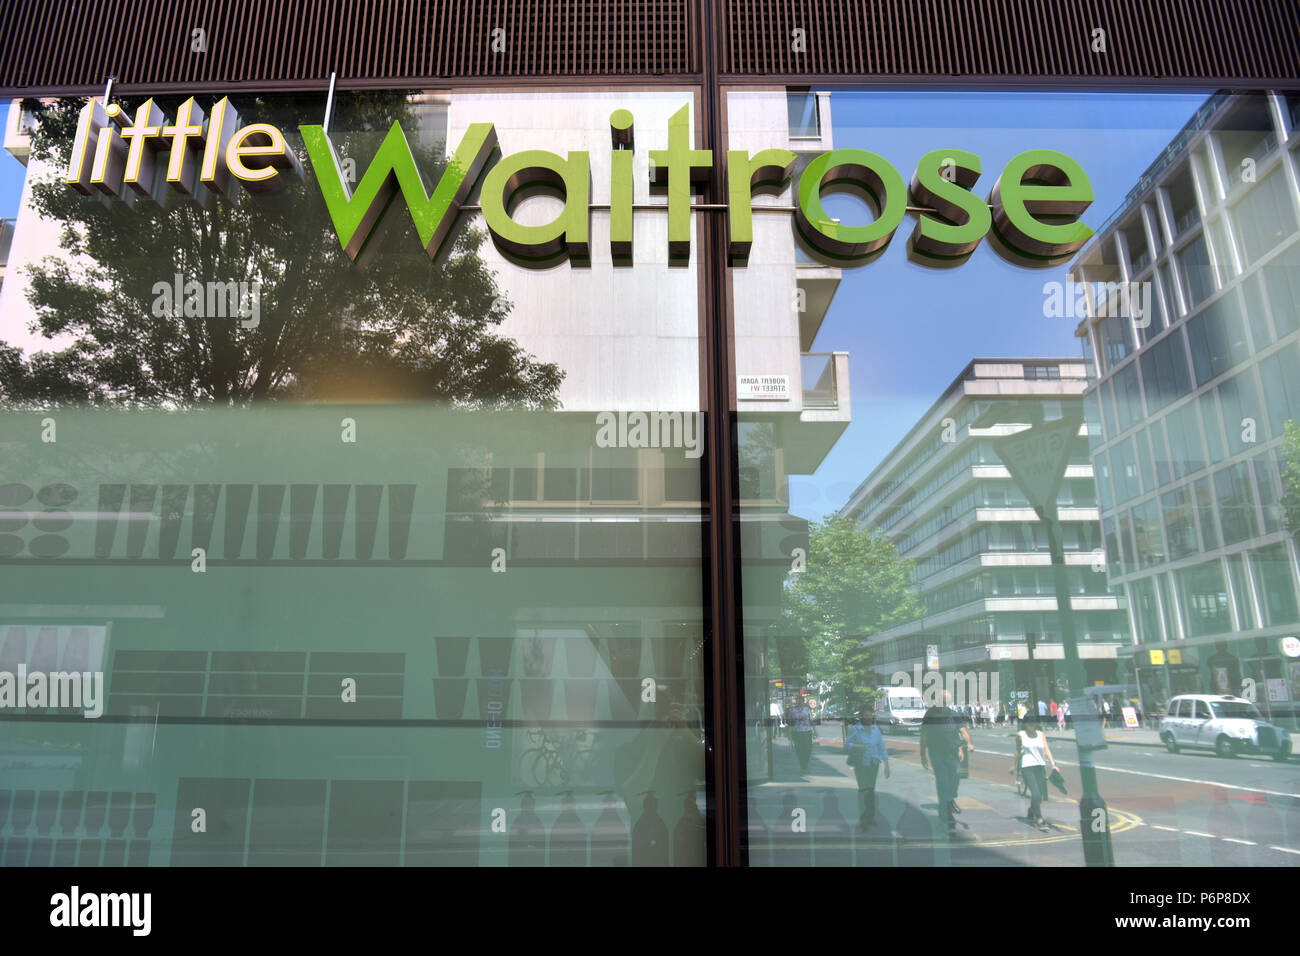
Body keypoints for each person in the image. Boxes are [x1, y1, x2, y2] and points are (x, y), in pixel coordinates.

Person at [920, 690, 972, 833]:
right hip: (936, 753)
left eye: (946, 699)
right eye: (942, 699)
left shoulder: (953, 714)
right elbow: (923, 733)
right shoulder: (930, 714)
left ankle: (950, 799)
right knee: (942, 781)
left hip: (952, 753)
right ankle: (948, 815)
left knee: (955, 775)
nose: (944, 701)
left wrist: (966, 744)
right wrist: (922, 754)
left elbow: (963, 731)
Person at [1011, 712, 1059, 831]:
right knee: (1036, 794)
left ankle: (1032, 809)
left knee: (1040, 796)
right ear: (1025, 724)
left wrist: (1053, 764)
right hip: (1027, 767)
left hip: (1040, 767)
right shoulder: (1020, 735)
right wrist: (1013, 766)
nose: (1031, 726)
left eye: (1033, 723)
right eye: (1029, 723)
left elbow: (1047, 750)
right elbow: (1017, 750)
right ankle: (1039, 819)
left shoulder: (1040, 734)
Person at [845, 709, 890, 828]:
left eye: (870, 715)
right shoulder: (855, 729)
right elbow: (847, 744)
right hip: (861, 763)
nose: (868, 718)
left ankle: (870, 816)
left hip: (873, 763)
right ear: (861, 716)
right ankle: (863, 818)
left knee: (870, 790)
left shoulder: (876, 729)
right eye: (866, 715)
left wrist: (887, 765)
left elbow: (882, 747)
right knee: (863, 790)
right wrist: (858, 746)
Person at [787, 694, 814, 773]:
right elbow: (790, 723)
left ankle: (805, 762)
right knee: (799, 749)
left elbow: (811, 720)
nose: (798, 702)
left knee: (808, 748)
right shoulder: (792, 710)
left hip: (807, 731)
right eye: (797, 700)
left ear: (803, 701)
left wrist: (815, 730)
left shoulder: (807, 709)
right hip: (797, 732)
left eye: (800, 700)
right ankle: (802, 764)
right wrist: (789, 734)